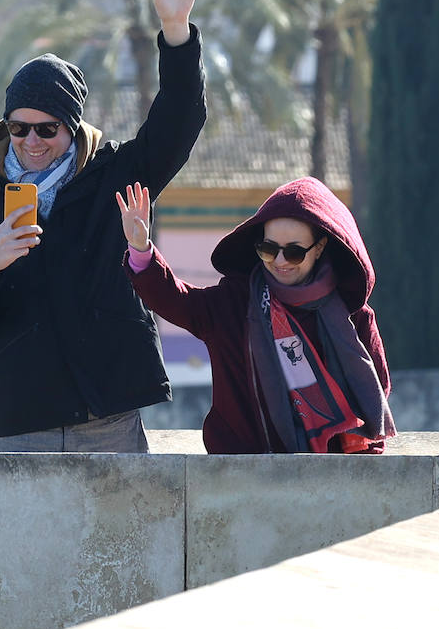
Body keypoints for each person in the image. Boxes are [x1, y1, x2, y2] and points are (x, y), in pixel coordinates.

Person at [0, 0, 211, 453]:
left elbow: (180, 120)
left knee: (127, 538)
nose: (32, 142)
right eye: (19, 129)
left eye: (48, 129)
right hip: (17, 424)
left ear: (73, 127)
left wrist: (175, 32)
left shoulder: (115, 178)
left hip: (107, 420)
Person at [116, 176, 395, 454]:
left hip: (331, 474)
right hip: (241, 473)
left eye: (295, 252)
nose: (280, 261)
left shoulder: (353, 315)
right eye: (269, 249)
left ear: (320, 247)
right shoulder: (234, 302)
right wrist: (141, 251)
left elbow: (375, 391)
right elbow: (175, 301)